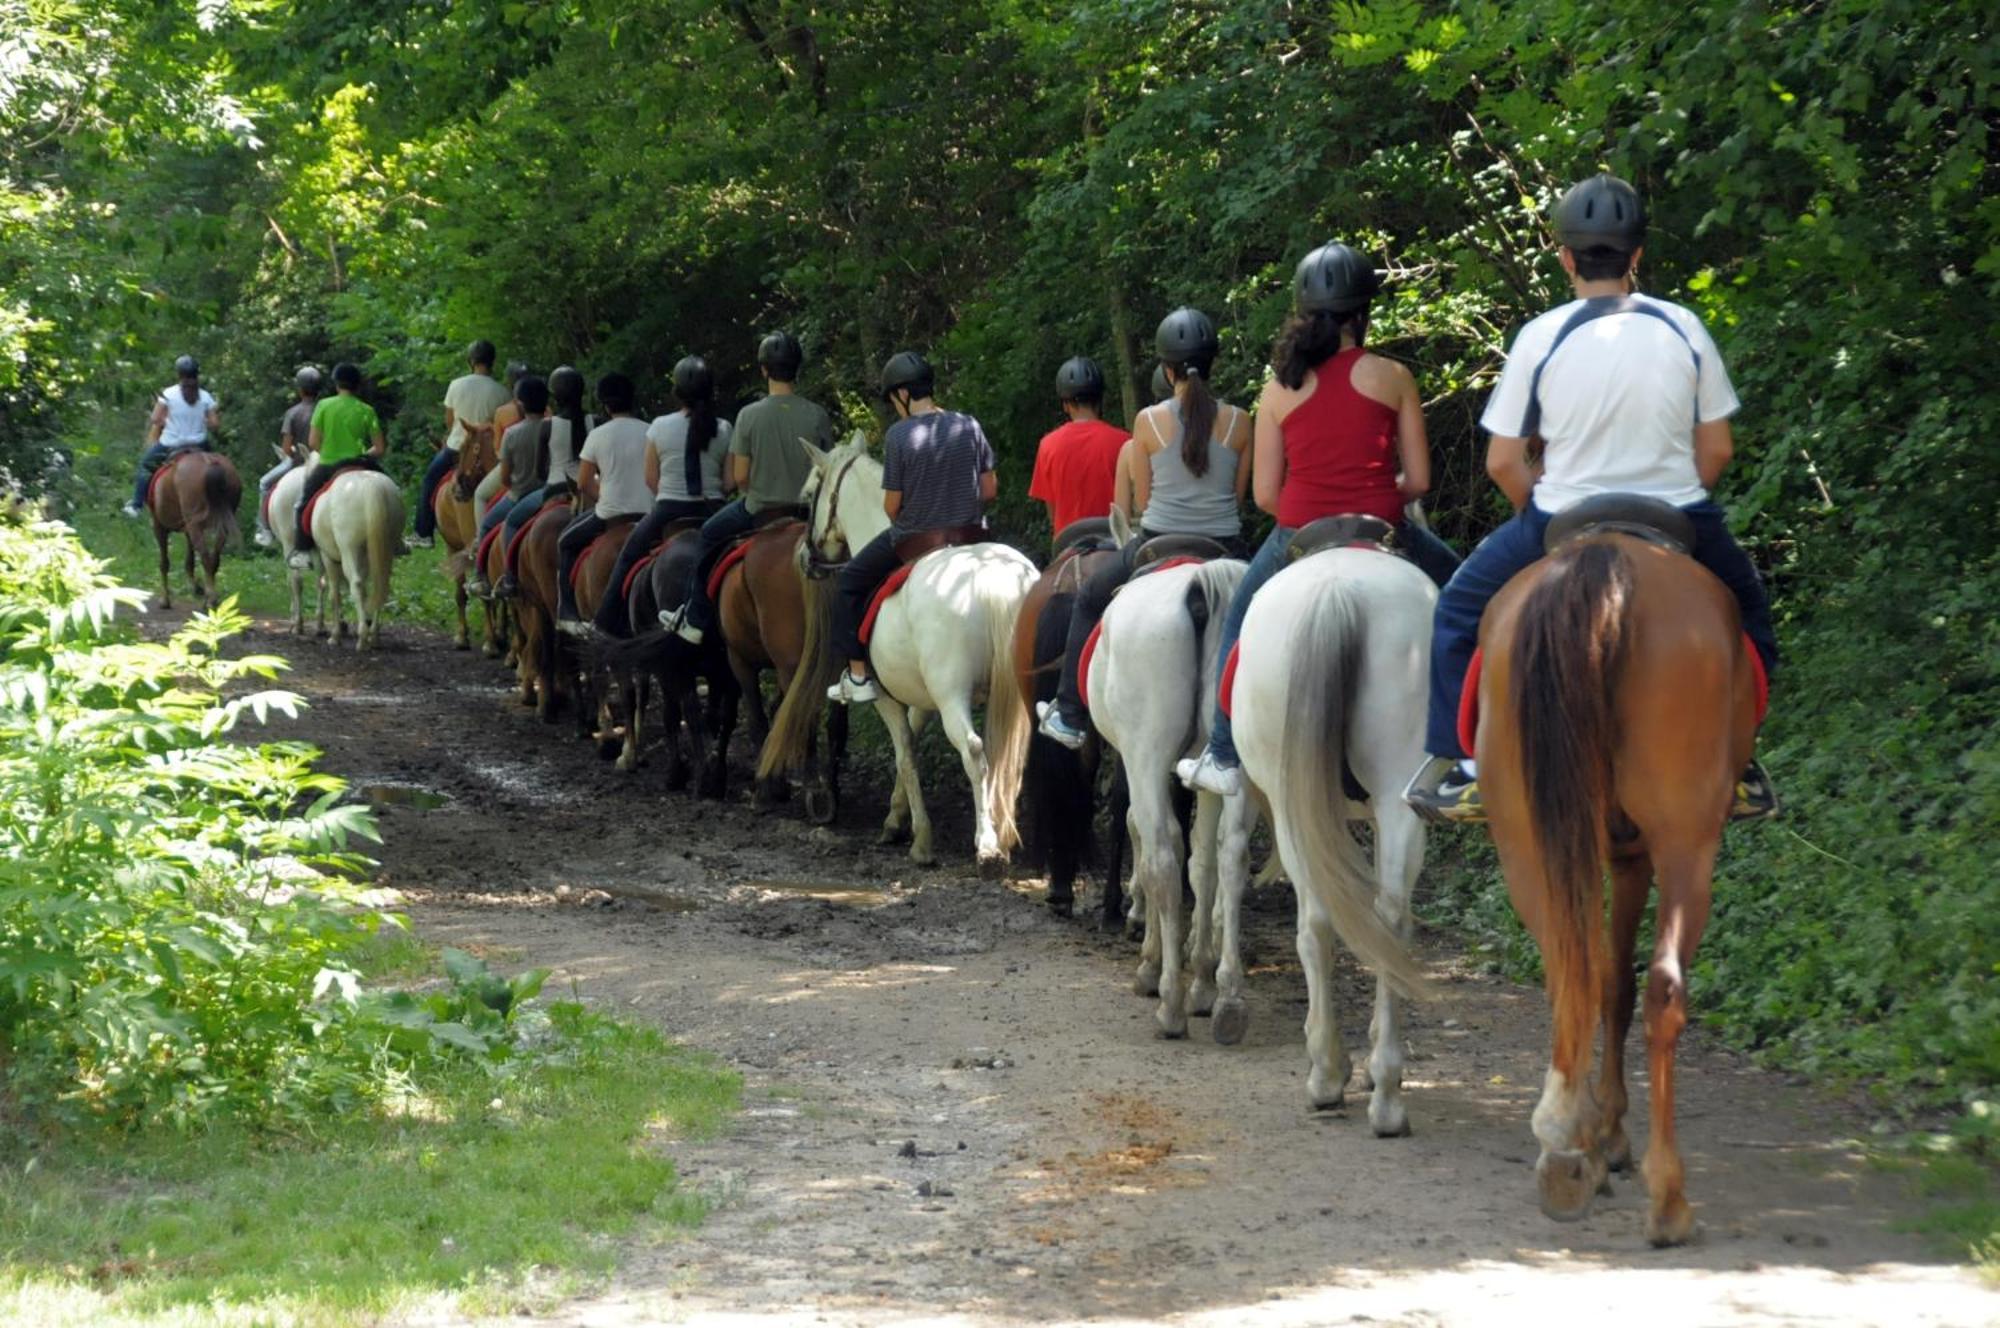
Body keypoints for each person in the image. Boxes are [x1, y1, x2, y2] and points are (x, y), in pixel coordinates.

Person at [1401, 173, 1779, 823]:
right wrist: (1675, 499)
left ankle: (1460, 769)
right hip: (1678, 513)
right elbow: (1716, 450)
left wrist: (1536, 515)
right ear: (1637, 255)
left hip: (1562, 514)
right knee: (1750, 616)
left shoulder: (1540, 336)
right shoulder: (1683, 325)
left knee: (1459, 611)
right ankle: (1741, 765)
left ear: (1566, 257)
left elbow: (1502, 460)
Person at [1176, 242, 1460, 794]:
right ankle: (1471, 745)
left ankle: (1222, 753)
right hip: (1383, 526)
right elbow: (1420, 482)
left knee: (1237, 621)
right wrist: (1378, 492)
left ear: (1305, 312)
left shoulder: (1279, 389)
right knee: (1469, 600)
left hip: (1299, 532)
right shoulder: (1394, 376)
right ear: (1364, 311)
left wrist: (1312, 506)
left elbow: (1263, 495)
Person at [1036, 309, 1250, 748]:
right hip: (1223, 546)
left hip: (1159, 540)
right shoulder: (1242, 421)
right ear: (1213, 363)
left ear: (1167, 369)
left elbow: (1143, 503)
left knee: (1091, 597)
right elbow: (1240, 497)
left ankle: (1071, 715)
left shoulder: (1148, 422)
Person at [825, 351, 997, 705]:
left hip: (917, 540)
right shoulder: (969, 424)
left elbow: (891, 506)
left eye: (892, 398)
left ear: (903, 394)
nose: (893, 404)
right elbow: (990, 489)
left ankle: (857, 676)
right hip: (971, 536)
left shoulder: (899, 436)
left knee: (850, 581)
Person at [661, 331, 836, 644]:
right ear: (796, 369)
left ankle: (696, 618)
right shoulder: (817, 414)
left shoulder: (749, 415)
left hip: (760, 510)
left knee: (708, 535)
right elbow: (829, 469)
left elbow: (740, 476)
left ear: (764, 370)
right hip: (809, 514)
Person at [593, 357, 733, 637]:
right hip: (713, 510)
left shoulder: (658, 426)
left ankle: (605, 621)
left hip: (669, 510)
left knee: (628, 556)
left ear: (677, 392)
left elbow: (650, 479)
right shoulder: (724, 428)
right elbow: (729, 482)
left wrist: (669, 494)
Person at [555, 373, 652, 632]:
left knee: (565, 542)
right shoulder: (651, 430)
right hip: (649, 516)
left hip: (611, 514)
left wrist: (605, 497)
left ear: (605, 404)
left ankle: (567, 611)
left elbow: (584, 482)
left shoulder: (598, 435)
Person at [492, 365, 590, 599]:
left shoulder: (549, 425)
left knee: (513, 522)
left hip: (555, 489)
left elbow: (539, 472)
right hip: (590, 491)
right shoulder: (593, 420)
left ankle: (510, 577)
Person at [410, 339, 510, 548]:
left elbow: (449, 421)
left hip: (457, 447)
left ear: (471, 360)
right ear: (492, 361)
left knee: (430, 480)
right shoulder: (502, 392)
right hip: (488, 453)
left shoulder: (456, 384)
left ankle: (423, 533)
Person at [286, 363, 386, 567]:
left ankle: (303, 551)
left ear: (336, 384)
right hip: (361, 463)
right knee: (390, 492)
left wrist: (331, 451)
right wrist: (364, 454)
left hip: (330, 465)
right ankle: (397, 541)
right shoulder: (366, 409)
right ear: (358, 385)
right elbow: (380, 448)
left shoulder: (324, 405)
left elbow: (313, 443)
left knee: (303, 504)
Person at [466, 374, 550, 597]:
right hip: (552, 492)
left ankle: (484, 576)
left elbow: (504, 477)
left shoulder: (512, 434)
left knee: (487, 525)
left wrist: (512, 484)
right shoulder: (556, 427)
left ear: (520, 404)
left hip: (520, 494)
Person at [1028, 356, 1129, 542]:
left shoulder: (1048, 445)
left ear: (1065, 404)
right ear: (1099, 399)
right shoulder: (1124, 441)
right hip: (1112, 541)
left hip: (1068, 543)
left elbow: (1052, 513)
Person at [122, 355, 219, 517]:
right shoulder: (206, 396)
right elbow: (215, 424)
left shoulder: (169, 394)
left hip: (171, 445)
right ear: (197, 374)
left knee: (145, 466)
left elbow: (155, 419)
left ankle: (136, 505)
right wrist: (201, 420)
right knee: (217, 467)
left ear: (179, 374)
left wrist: (167, 419)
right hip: (200, 446)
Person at [255, 366, 322, 547]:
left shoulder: (292, 413)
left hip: (297, 463)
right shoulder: (324, 410)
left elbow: (285, 449)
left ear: (300, 389)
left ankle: (265, 530)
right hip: (321, 462)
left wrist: (290, 452)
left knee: (263, 483)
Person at [471, 361, 535, 517]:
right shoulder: (546, 409)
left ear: (510, 382)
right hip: (542, 468)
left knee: (480, 495)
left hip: (515, 469)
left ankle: (481, 538)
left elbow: (499, 451)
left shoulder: (503, 412)